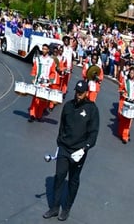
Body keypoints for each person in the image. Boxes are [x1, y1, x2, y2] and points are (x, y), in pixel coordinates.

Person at [43, 80, 99, 221]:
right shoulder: (68, 106)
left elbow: (93, 134)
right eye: (77, 92)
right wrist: (59, 143)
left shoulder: (92, 109)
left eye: (81, 93)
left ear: (86, 93)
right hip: (64, 147)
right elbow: (62, 126)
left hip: (78, 151)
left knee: (73, 179)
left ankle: (66, 208)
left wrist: (84, 149)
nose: (78, 95)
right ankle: (54, 208)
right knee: (59, 175)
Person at [28, 44, 57, 122]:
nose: (43, 50)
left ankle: (39, 115)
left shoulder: (51, 61)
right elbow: (34, 69)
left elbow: (52, 72)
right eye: (43, 49)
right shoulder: (38, 59)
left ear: (48, 50)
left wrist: (50, 80)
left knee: (43, 100)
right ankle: (32, 114)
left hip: (46, 83)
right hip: (38, 82)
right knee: (35, 99)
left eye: (45, 49)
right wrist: (33, 78)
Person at [116, 66, 134, 144]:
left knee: (129, 120)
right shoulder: (125, 81)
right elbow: (120, 89)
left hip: (132, 103)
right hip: (125, 101)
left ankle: (125, 136)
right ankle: (120, 132)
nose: (131, 74)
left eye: (133, 73)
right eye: (130, 73)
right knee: (123, 119)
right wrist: (123, 93)